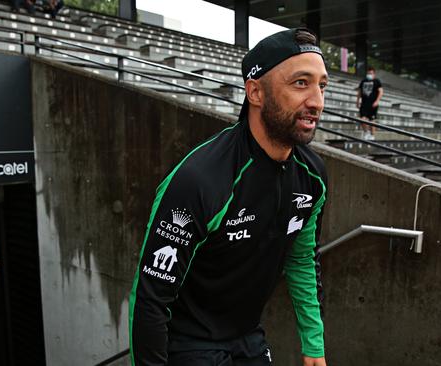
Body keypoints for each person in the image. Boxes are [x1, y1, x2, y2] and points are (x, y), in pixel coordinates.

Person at [129, 28, 328, 366]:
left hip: (248, 336)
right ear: (255, 92)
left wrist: (314, 344)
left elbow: (301, 259)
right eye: (300, 83)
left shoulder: (312, 177)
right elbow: (150, 300)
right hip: (188, 344)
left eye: (322, 85)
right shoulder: (200, 178)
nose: (316, 101)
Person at [356, 66, 383, 140]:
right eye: (368, 73)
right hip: (364, 103)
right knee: (362, 119)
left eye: (371, 73)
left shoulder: (377, 81)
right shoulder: (363, 81)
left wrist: (377, 101)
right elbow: (359, 91)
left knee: (372, 121)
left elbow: (381, 92)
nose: (369, 75)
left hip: (373, 104)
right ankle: (366, 132)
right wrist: (358, 101)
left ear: (374, 74)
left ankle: (372, 135)